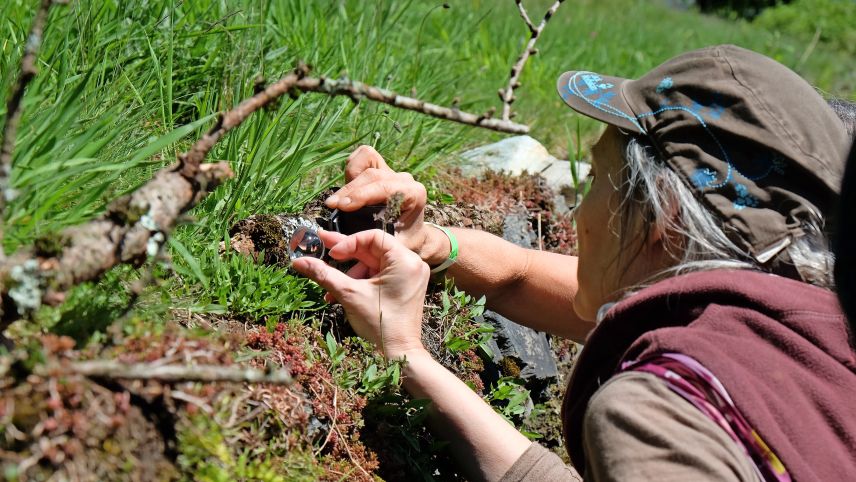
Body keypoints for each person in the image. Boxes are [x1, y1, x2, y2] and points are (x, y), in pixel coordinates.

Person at [292, 45, 856, 481]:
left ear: (663, 215)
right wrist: (432, 244)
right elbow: (524, 277)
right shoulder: (809, 321)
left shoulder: (667, 409)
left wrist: (407, 356)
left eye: (597, 179)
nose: (582, 210)